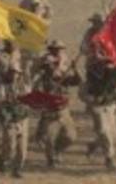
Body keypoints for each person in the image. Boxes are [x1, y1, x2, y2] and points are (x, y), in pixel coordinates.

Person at [31, 39, 80, 168]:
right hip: (50, 109)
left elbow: (76, 81)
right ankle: (51, 159)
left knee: (71, 136)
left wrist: (74, 69)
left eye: (59, 49)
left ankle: (58, 151)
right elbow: (36, 87)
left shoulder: (64, 69)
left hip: (63, 108)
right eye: (55, 49)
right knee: (49, 137)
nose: (57, 52)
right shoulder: (43, 73)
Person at [81, 48, 116, 171]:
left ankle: (93, 145)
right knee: (104, 132)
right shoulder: (91, 72)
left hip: (110, 105)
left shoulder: (114, 72)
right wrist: (90, 100)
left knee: (114, 133)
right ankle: (109, 158)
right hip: (97, 106)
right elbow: (84, 91)